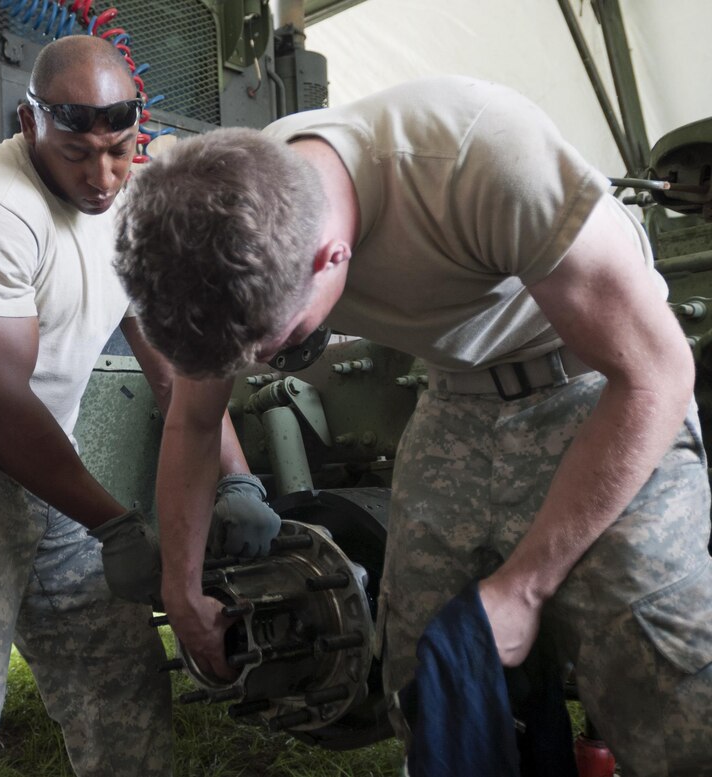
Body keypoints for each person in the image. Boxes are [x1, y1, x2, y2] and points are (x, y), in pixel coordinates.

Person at [113, 75, 712, 777]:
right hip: (454, 399)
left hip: (596, 386)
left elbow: (657, 372)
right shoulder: (227, 223)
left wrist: (524, 586)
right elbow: (192, 421)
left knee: (668, 680)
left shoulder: (481, 160)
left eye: (272, 346)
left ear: (333, 257)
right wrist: (182, 592)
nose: (254, 365)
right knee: (425, 673)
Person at [0, 34, 278, 777]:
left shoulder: (132, 200)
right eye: (78, 152)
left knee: (122, 686)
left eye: (120, 148)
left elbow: (174, 365)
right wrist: (113, 522)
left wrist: (235, 476)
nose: (103, 176)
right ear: (28, 121)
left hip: (52, 462)